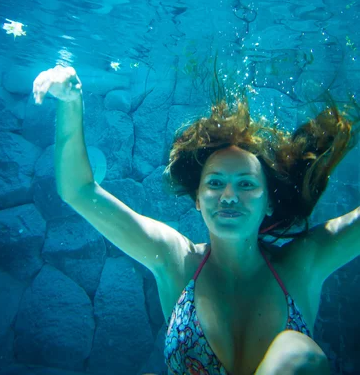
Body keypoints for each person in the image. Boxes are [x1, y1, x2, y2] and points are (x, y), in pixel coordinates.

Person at [33, 64, 360, 375]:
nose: (229, 196)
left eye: (245, 184)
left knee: (296, 350)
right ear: (198, 201)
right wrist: (72, 102)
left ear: (269, 204)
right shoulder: (177, 260)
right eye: (215, 183)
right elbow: (79, 190)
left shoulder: (301, 264)